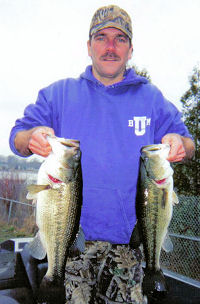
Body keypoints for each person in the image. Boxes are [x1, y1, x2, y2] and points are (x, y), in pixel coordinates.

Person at [9, 5, 195, 304]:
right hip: (71, 246)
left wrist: (179, 143)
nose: (110, 47)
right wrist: (30, 137)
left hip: (130, 250)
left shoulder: (152, 98)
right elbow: (17, 137)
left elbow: (189, 145)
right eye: (101, 37)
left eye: (120, 39)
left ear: (131, 49)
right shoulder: (58, 94)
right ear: (88, 46)